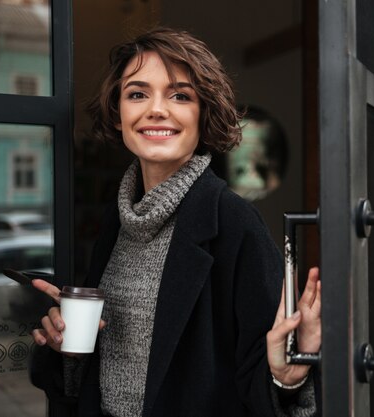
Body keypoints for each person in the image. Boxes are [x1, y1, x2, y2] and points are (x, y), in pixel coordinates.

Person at [29, 27, 321, 417]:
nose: (157, 110)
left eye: (180, 95)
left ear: (203, 115)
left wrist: (287, 379)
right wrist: (64, 347)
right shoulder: (119, 220)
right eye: (137, 94)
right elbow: (97, 376)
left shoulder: (235, 224)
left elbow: (261, 384)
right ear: (118, 114)